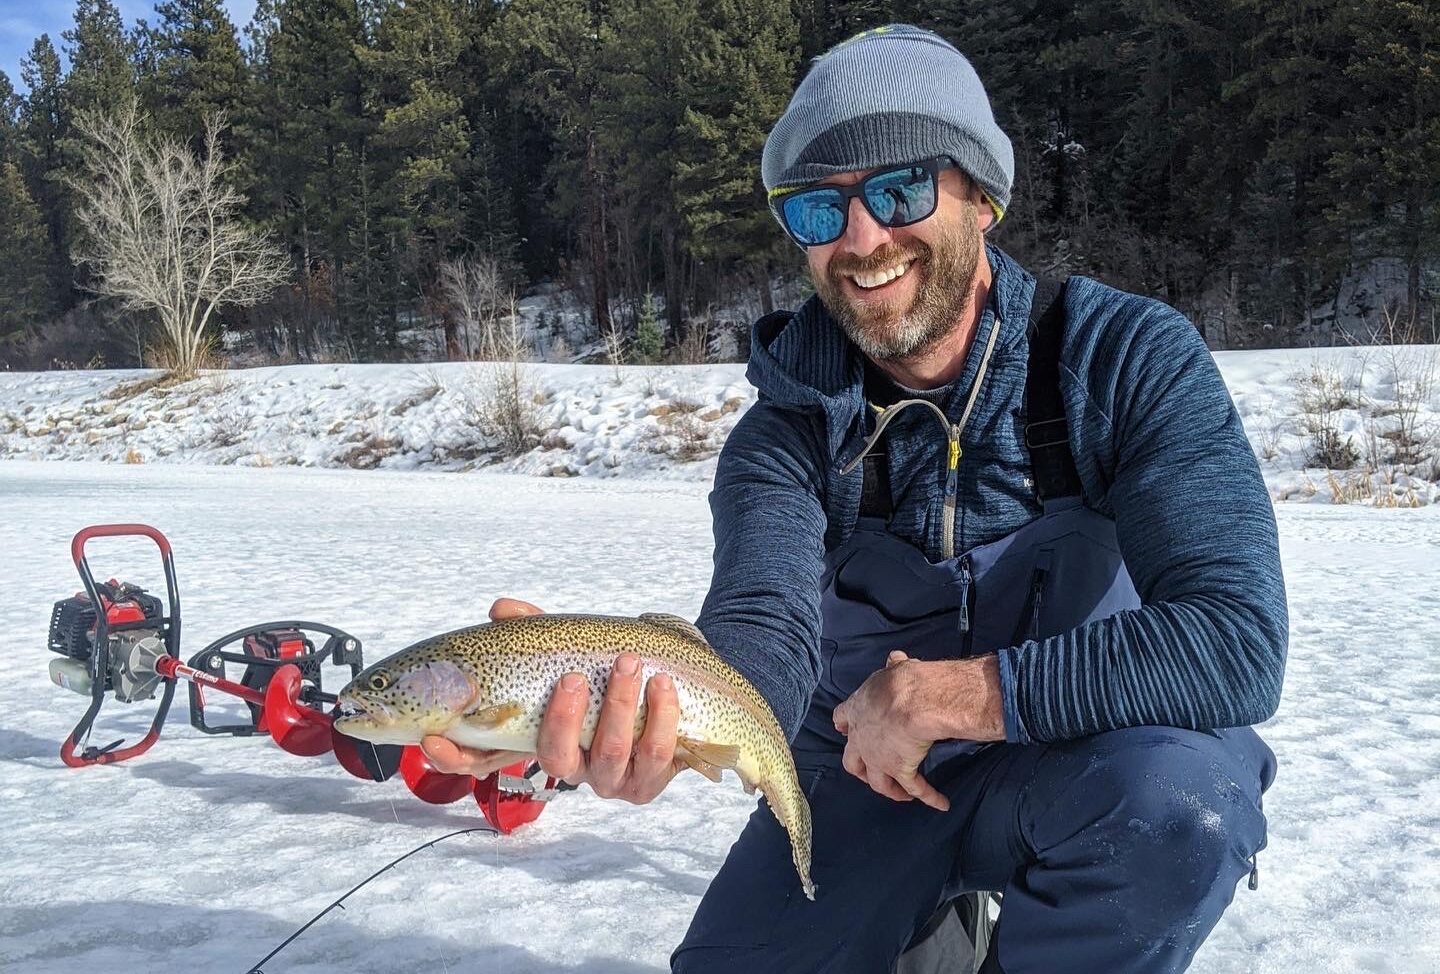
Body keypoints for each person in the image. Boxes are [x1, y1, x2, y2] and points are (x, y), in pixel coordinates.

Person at [422, 24, 1286, 974]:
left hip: (1087, 762)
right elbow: (764, 626)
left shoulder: (1123, 361)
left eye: (900, 188)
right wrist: (632, 721)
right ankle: (924, 924)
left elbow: (1236, 639)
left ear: (983, 195)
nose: (864, 240)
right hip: (860, 774)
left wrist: (957, 694)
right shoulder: (784, 432)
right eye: (817, 210)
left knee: (1181, 803)